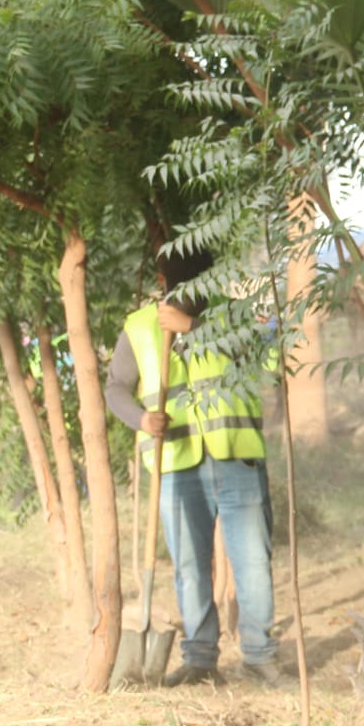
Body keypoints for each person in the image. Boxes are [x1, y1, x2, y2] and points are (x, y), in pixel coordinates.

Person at [103, 244, 282, 688]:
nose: (190, 294)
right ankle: (200, 660)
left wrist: (194, 329)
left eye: (199, 286)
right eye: (180, 286)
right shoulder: (139, 326)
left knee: (253, 564)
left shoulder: (235, 317)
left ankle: (260, 657)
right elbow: (116, 388)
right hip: (176, 465)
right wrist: (142, 419)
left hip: (237, 457)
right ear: (163, 283)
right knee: (189, 566)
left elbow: (269, 358)